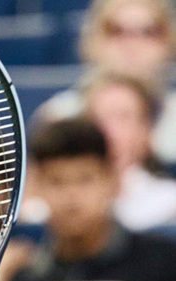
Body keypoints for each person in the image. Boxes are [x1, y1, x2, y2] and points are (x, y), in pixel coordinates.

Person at [0, 118, 176, 281]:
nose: (72, 197)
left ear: (112, 181)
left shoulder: (164, 261)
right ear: (36, 187)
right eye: (57, 181)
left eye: (85, 179)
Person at [34, 0, 176, 163]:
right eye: (116, 30)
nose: (131, 44)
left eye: (148, 32)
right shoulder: (59, 116)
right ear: (93, 40)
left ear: (169, 43)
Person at [82, 71, 176, 231]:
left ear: (146, 131)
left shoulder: (169, 203)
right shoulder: (48, 207)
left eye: (123, 118)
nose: (108, 131)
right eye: (98, 119)